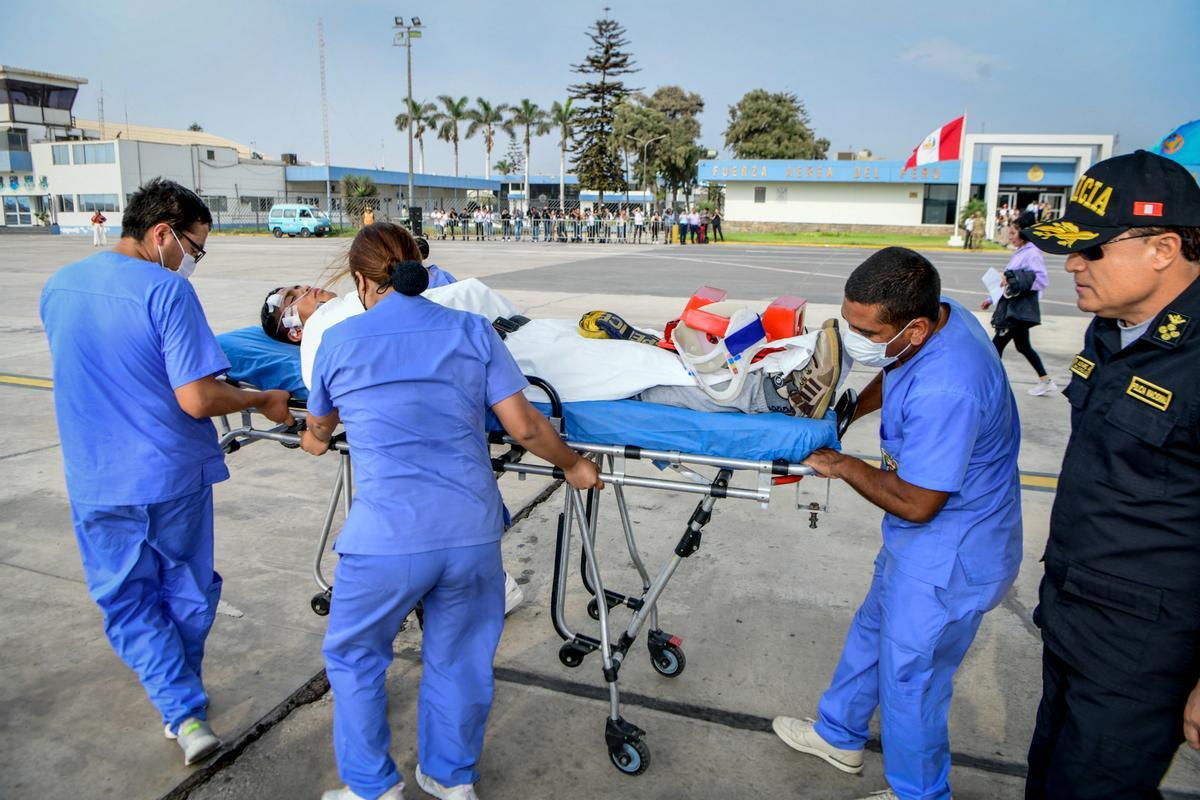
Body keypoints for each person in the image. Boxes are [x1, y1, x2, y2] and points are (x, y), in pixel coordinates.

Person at [301, 223, 603, 800]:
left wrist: (314, 437)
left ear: (362, 281)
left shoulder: (339, 341)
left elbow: (319, 429)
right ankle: (450, 779)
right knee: (461, 661)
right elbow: (526, 426)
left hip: (385, 540)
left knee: (357, 657)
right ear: (419, 268)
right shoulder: (471, 330)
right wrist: (574, 465)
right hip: (469, 535)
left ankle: (370, 788)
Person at [39, 178, 294, 766]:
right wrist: (260, 400)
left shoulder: (58, 286)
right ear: (162, 234)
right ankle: (183, 708)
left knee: (125, 598)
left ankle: (180, 711)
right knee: (185, 587)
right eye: (194, 249)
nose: (192, 262)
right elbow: (198, 398)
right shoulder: (166, 293)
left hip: (97, 476)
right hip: (169, 473)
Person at [772, 247, 1022, 800]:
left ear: (912, 325)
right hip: (919, 547)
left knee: (913, 682)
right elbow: (895, 365)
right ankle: (839, 734)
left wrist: (843, 465)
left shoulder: (948, 387)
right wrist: (850, 410)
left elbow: (918, 503)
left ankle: (920, 794)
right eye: (849, 322)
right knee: (871, 630)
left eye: (866, 330)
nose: (856, 339)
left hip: (949, 555)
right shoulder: (939, 315)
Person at [1021, 151, 1200, 799]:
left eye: (1092, 250)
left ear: (1162, 248)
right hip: (1073, 621)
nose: (1071, 263)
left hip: (1144, 653)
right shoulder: (1111, 330)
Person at [981, 211, 1056, 395]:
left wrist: (1015, 278)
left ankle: (989, 386)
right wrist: (991, 299)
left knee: (995, 346)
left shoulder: (1032, 254)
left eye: (1014, 233)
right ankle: (1045, 380)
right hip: (1013, 308)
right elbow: (1009, 283)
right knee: (1023, 346)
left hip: (1017, 310)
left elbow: (1040, 280)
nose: (1011, 237)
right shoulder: (1021, 252)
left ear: (1024, 233)